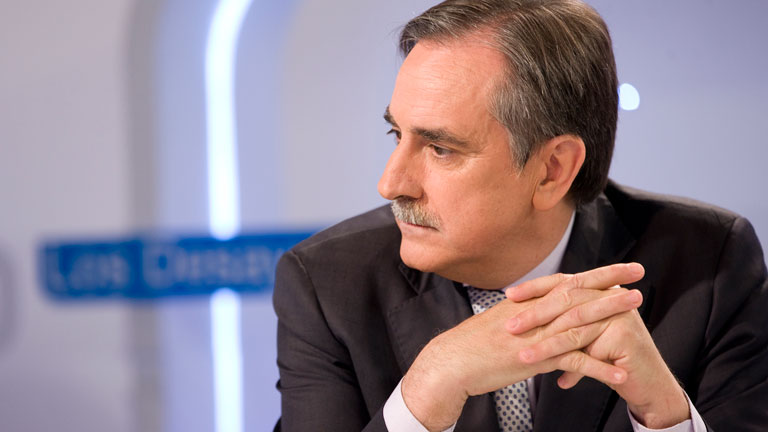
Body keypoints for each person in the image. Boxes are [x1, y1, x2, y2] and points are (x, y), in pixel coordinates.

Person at [273, 0, 768, 431]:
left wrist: (665, 416)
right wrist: (423, 393)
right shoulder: (327, 285)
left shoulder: (710, 265)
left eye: (440, 148)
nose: (390, 184)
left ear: (553, 170)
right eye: (396, 134)